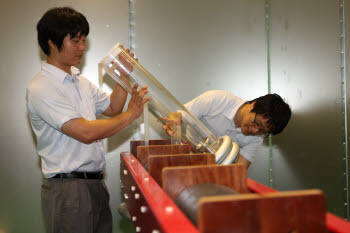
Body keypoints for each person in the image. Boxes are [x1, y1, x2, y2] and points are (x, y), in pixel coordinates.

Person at [26, 7, 148, 233]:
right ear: (52, 42)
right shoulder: (41, 87)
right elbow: (85, 132)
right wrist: (130, 115)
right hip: (68, 189)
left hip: (94, 184)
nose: (82, 47)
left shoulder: (79, 81)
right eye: (75, 40)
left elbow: (112, 108)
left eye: (83, 40)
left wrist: (123, 77)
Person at [163, 90, 291, 169]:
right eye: (256, 123)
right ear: (253, 104)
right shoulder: (217, 99)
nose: (255, 131)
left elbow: (239, 170)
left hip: (208, 169)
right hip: (184, 157)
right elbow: (177, 115)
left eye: (262, 131)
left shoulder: (256, 138)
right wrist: (173, 122)